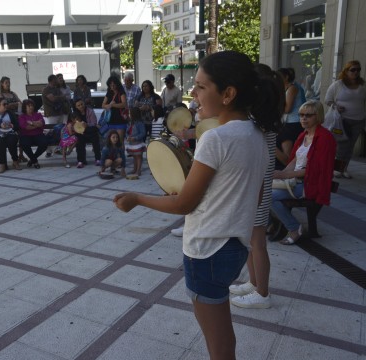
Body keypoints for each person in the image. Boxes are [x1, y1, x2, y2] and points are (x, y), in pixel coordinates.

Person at [113, 51, 279, 360]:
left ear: (228, 94)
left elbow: (184, 204)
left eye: (201, 87)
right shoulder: (256, 135)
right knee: (222, 332)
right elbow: (253, 199)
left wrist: (136, 199)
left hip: (207, 248)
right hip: (236, 246)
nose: (194, 94)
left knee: (219, 341)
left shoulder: (216, 138)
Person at [229, 63, 284, 309]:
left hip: (258, 189)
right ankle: (253, 283)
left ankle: (262, 293)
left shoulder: (261, 122)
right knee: (251, 241)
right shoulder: (265, 118)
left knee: (258, 243)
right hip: (257, 187)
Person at [271, 100, 337, 245]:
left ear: (318, 116)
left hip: (310, 184)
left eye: (308, 115)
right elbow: (294, 160)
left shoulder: (325, 138)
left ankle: (294, 228)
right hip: (296, 181)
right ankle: (270, 224)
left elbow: (315, 170)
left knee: (269, 197)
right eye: (301, 115)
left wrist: (283, 176)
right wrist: (280, 174)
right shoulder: (303, 135)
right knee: (259, 188)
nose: (303, 118)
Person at [325, 60, 366, 178]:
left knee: (351, 145)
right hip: (342, 120)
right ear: (346, 71)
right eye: (353, 70)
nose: (356, 72)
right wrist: (336, 106)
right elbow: (328, 100)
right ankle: (337, 168)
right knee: (342, 144)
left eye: (358, 70)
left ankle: (344, 168)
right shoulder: (338, 84)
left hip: (358, 119)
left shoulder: (362, 85)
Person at [276, 67, 305, 169]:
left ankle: (290, 169)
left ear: (286, 77)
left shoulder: (292, 88)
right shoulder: (285, 88)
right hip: (288, 122)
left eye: (278, 76)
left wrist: (274, 107)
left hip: (294, 122)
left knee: (288, 147)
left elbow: (287, 109)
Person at [43, 74, 68, 157]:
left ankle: (58, 148)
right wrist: (60, 97)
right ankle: (49, 150)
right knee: (51, 131)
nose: (57, 81)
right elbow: (52, 99)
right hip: (51, 114)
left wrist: (58, 97)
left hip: (60, 112)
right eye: (55, 79)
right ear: (52, 80)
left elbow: (63, 97)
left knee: (59, 131)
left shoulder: (56, 89)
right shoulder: (46, 89)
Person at [18, 99, 47, 169]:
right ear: (25, 107)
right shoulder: (22, 117)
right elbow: (27, 128)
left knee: (44, 143)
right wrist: (36, 124)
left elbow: (41, 124)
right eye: (29, 106)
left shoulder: (38, 114)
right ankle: (35, 161)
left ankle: (32, 159)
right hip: (26, 135)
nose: (31, 107)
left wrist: (31, 123)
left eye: (32, 105)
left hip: (38, 134)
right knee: (24, 144)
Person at [74, 97, 101, 167]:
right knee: (79, 141)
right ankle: (81, 161)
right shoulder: (75, 114)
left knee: (95, 138)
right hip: (80, 132)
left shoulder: (90, 111)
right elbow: (73, 125)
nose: (81, 106)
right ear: (76, 107)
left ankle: (98, 159)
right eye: (78, 105)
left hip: (90, 131)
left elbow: (94, 123)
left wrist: (87, 125)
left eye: (81, 104)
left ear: (84, 104)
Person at [102, 76, 128, 144]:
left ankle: (121, 154)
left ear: (117, 84)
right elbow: (103, 105)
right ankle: (113, 154)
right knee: (111, 142)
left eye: (114, 84)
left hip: (120, 120)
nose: (112, 86)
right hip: (111, 120)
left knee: (120, 141)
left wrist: (112, 105)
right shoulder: (109, 93)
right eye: (110, 85)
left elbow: (124, 104)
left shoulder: (121, 93)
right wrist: (110, 105)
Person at [125, 107, 146, 177]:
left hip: (138, 143)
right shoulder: (130, 122)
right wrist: (127, 136)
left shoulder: (140, 123)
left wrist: (135, 138)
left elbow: (143, 133)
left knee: (138, 157)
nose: (129, 114)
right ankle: (134, 169)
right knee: (134, 156)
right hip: (131, 143)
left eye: (130, 113)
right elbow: (127, 131)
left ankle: (138, 170)